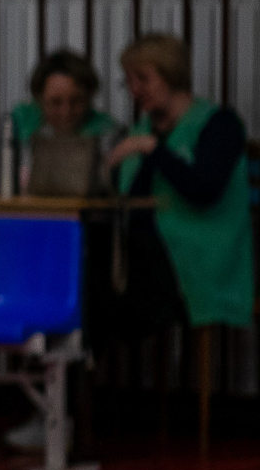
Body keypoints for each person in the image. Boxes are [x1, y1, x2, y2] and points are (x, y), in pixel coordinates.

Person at [103, 34, 253, 341]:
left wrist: (152, 149)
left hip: (197, 253)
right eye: (128, 82)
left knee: (100, 278)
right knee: (84, 256)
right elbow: (124, 195)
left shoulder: (219, 124)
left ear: (171, 74)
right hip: (144, 250)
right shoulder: (140, 130)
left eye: (143, 79)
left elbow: (203, 191)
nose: (134, 91)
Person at [0, 49, 120, 196]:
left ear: (90, 96)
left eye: (77, 101)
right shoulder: (18, 120)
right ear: (38, 98)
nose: (66, 112)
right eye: (55, 102)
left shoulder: (106, 130)